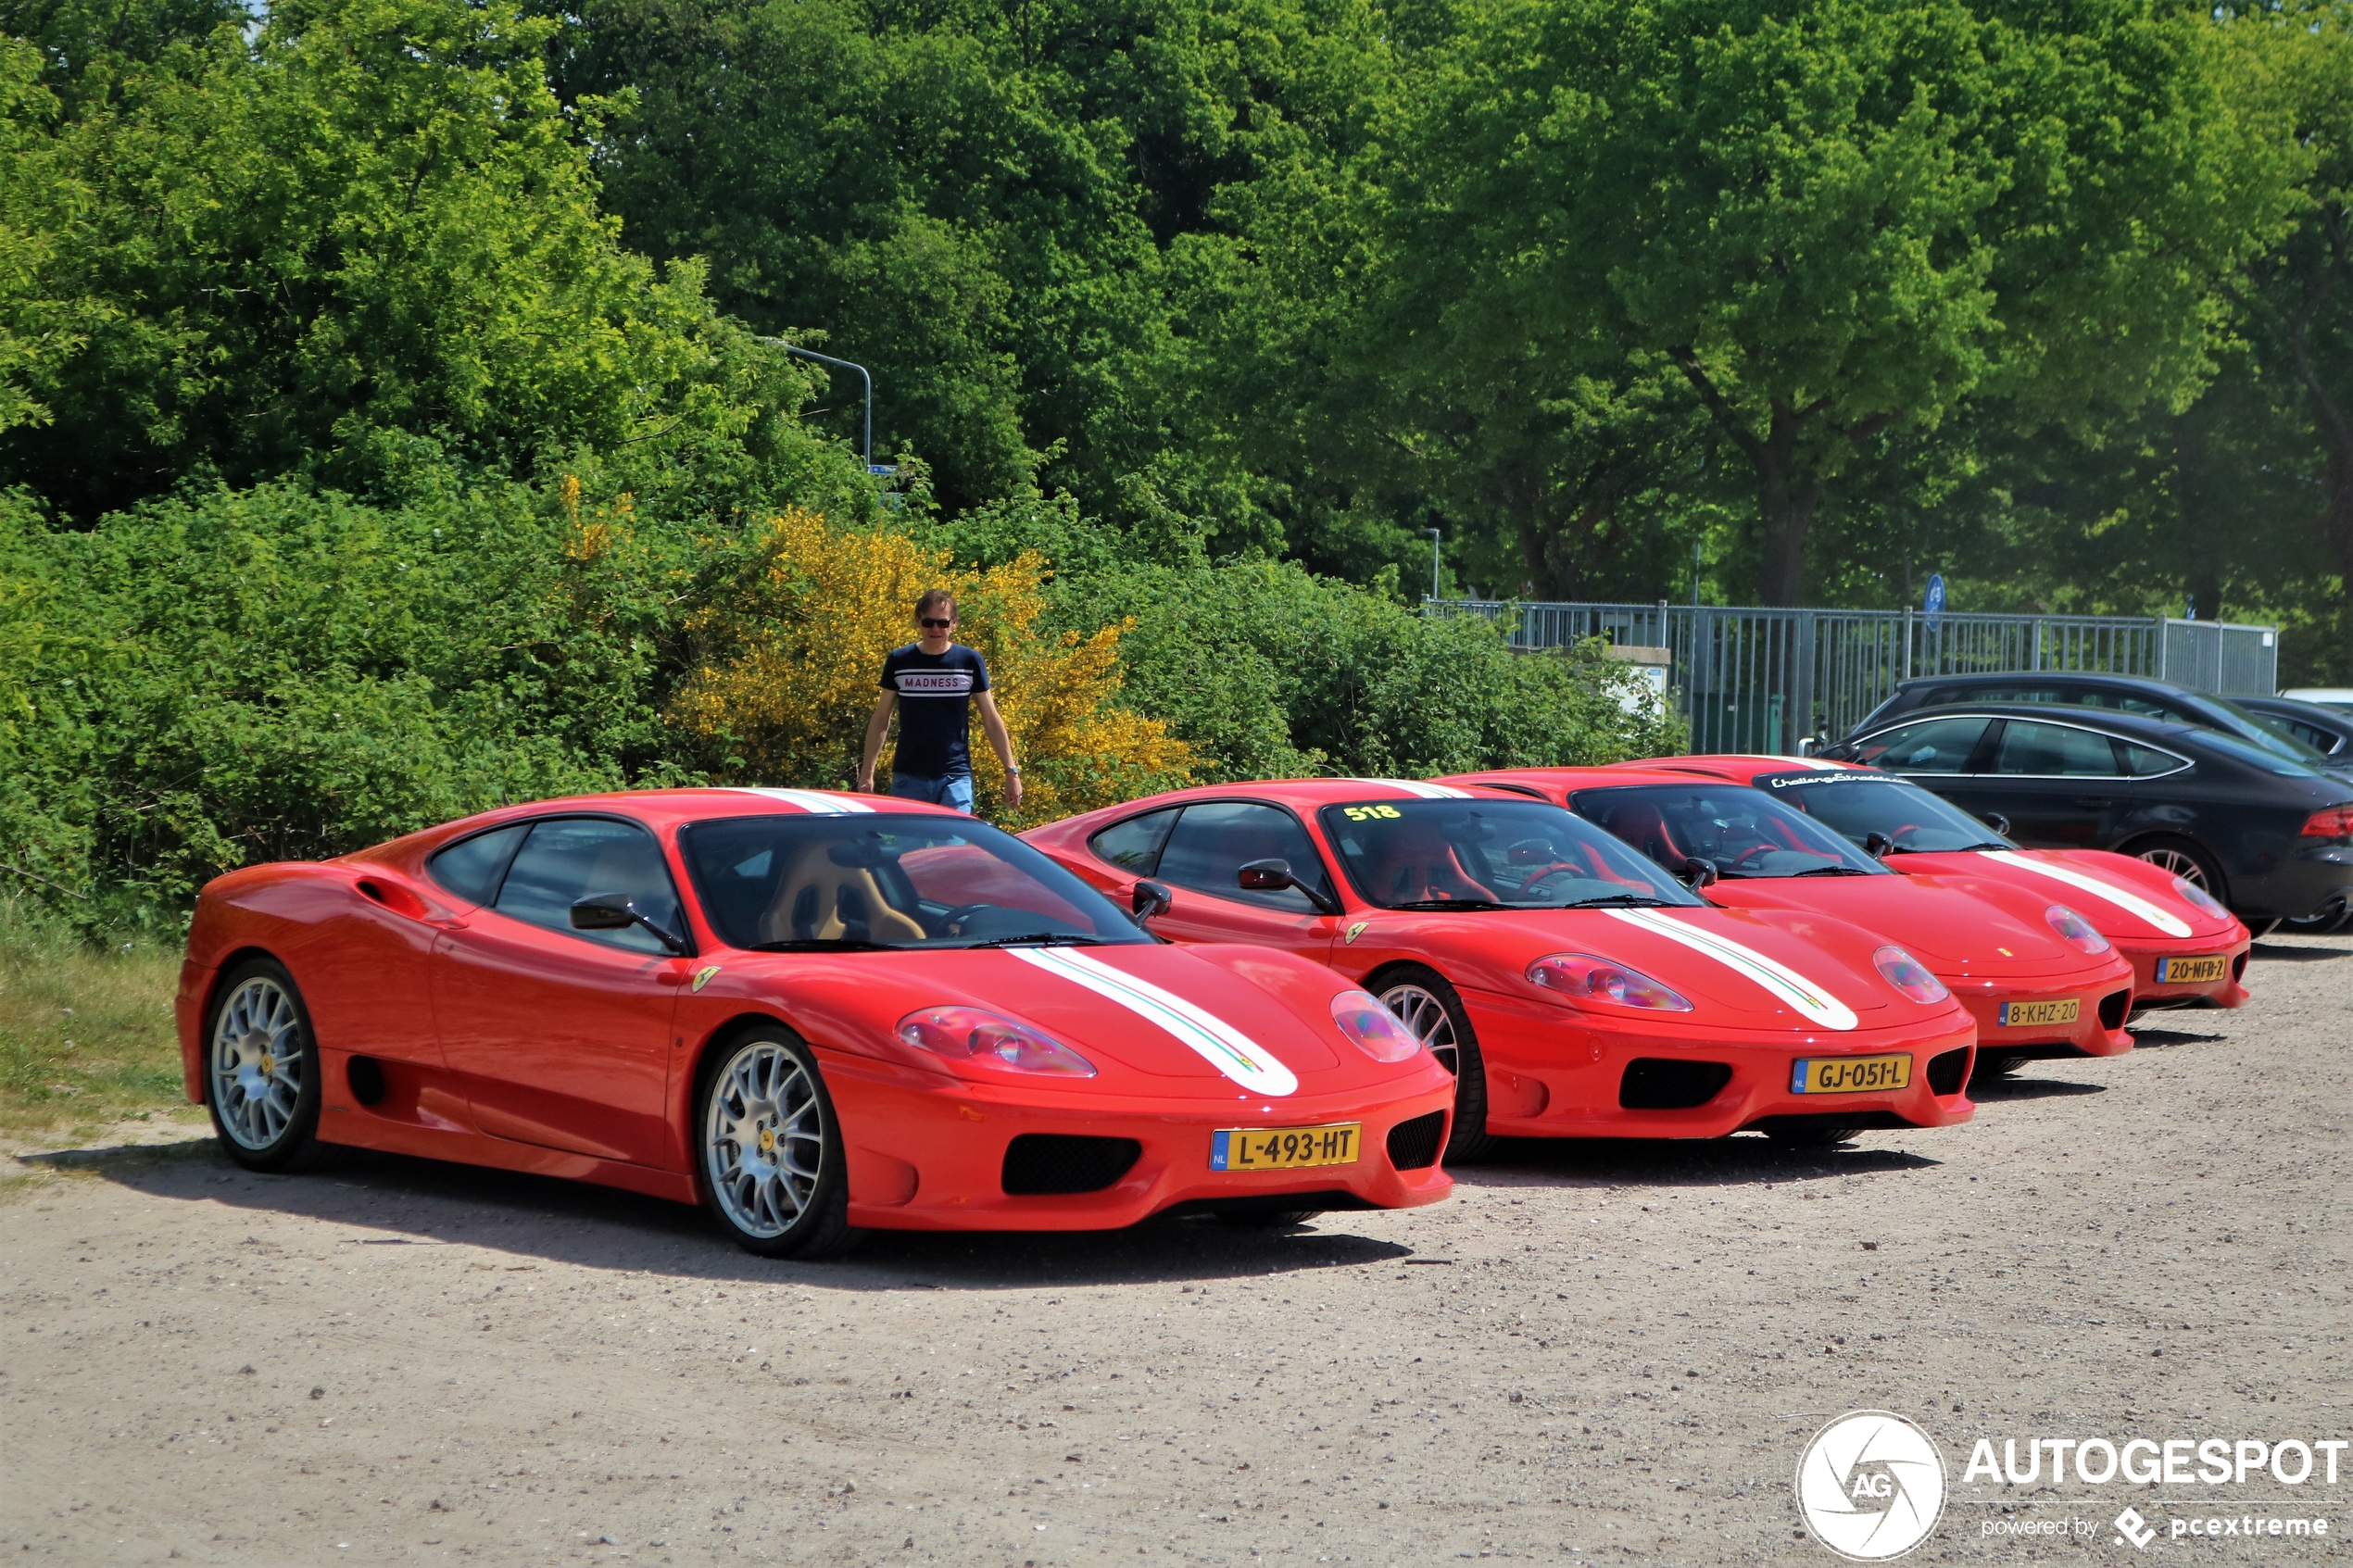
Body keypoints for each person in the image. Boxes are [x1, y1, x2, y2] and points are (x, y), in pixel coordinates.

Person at [856, 590, 1023, 814]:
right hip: (909, 776)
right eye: (928, 622)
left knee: (953, 848)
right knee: (913, 849)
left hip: (956, 776)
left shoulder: (969, 661)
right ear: (918, 622)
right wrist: (867, 773)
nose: (935, 629)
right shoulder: (900, 661)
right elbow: (881, 719)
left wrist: (1011, 772)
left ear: (954, 624)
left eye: (942, 623)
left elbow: (991, 719)